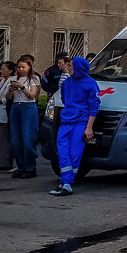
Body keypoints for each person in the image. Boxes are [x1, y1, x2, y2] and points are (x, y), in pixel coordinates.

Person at [49, 57, 100, 197]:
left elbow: (94, 107)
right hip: (67, 122)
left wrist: (89, 128)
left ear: (78, 67)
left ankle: (66, 183)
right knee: (63, 151)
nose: (68, 68)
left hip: (80, 123)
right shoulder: (67, 82)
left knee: (74, 153)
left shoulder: (90, 83)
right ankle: (66, 182)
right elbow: (65, 100)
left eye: (70, 65)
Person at [8, 56, 42, 178]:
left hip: (28, 107)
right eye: (19, 67)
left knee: (28, 139)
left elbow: (32, 95)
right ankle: (20, 166)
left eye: (23, 67)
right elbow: (8, 98)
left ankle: (30, 168)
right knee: (16, 140)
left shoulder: (33, 79)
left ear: (29, 67)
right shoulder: (12, 78)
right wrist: (11, 89)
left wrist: (22, 87)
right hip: (16, 106)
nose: (21, 69)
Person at [0, 61, 15, 170]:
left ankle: (6, 161)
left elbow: (11, 98)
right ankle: (0, 161)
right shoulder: (2, 81)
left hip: (5, 110)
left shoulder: (12, 81)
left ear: (10, 70)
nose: (1, 71)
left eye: (3, 69)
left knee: (5, 137)